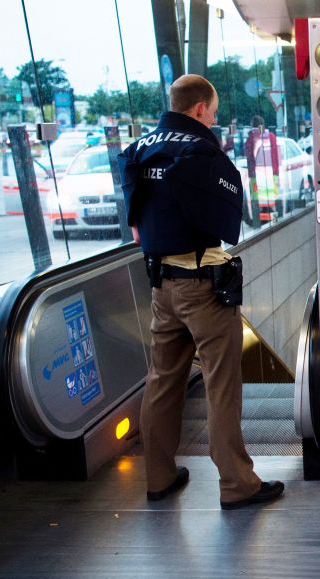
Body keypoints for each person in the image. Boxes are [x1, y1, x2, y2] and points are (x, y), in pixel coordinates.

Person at [118, 74, 284, 510]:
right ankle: (236, 484)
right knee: (221, 386)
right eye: (211, 111)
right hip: (203, 287)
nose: (213, 118)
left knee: (161, 381)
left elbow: (138, 222)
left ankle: (158, 477)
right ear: (198, 109)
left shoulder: (138, 150)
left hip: (161, 286)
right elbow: (222, 227)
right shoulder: (200, 151)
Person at [244, 115, 279, 220]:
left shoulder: (251, 138)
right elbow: (276, 156)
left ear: (253, 125)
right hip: (272, 174)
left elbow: (249, 156)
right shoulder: (272, 137)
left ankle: (258, 220)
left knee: (256, 199)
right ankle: (274, 218)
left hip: (256, 175)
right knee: (272, 199)